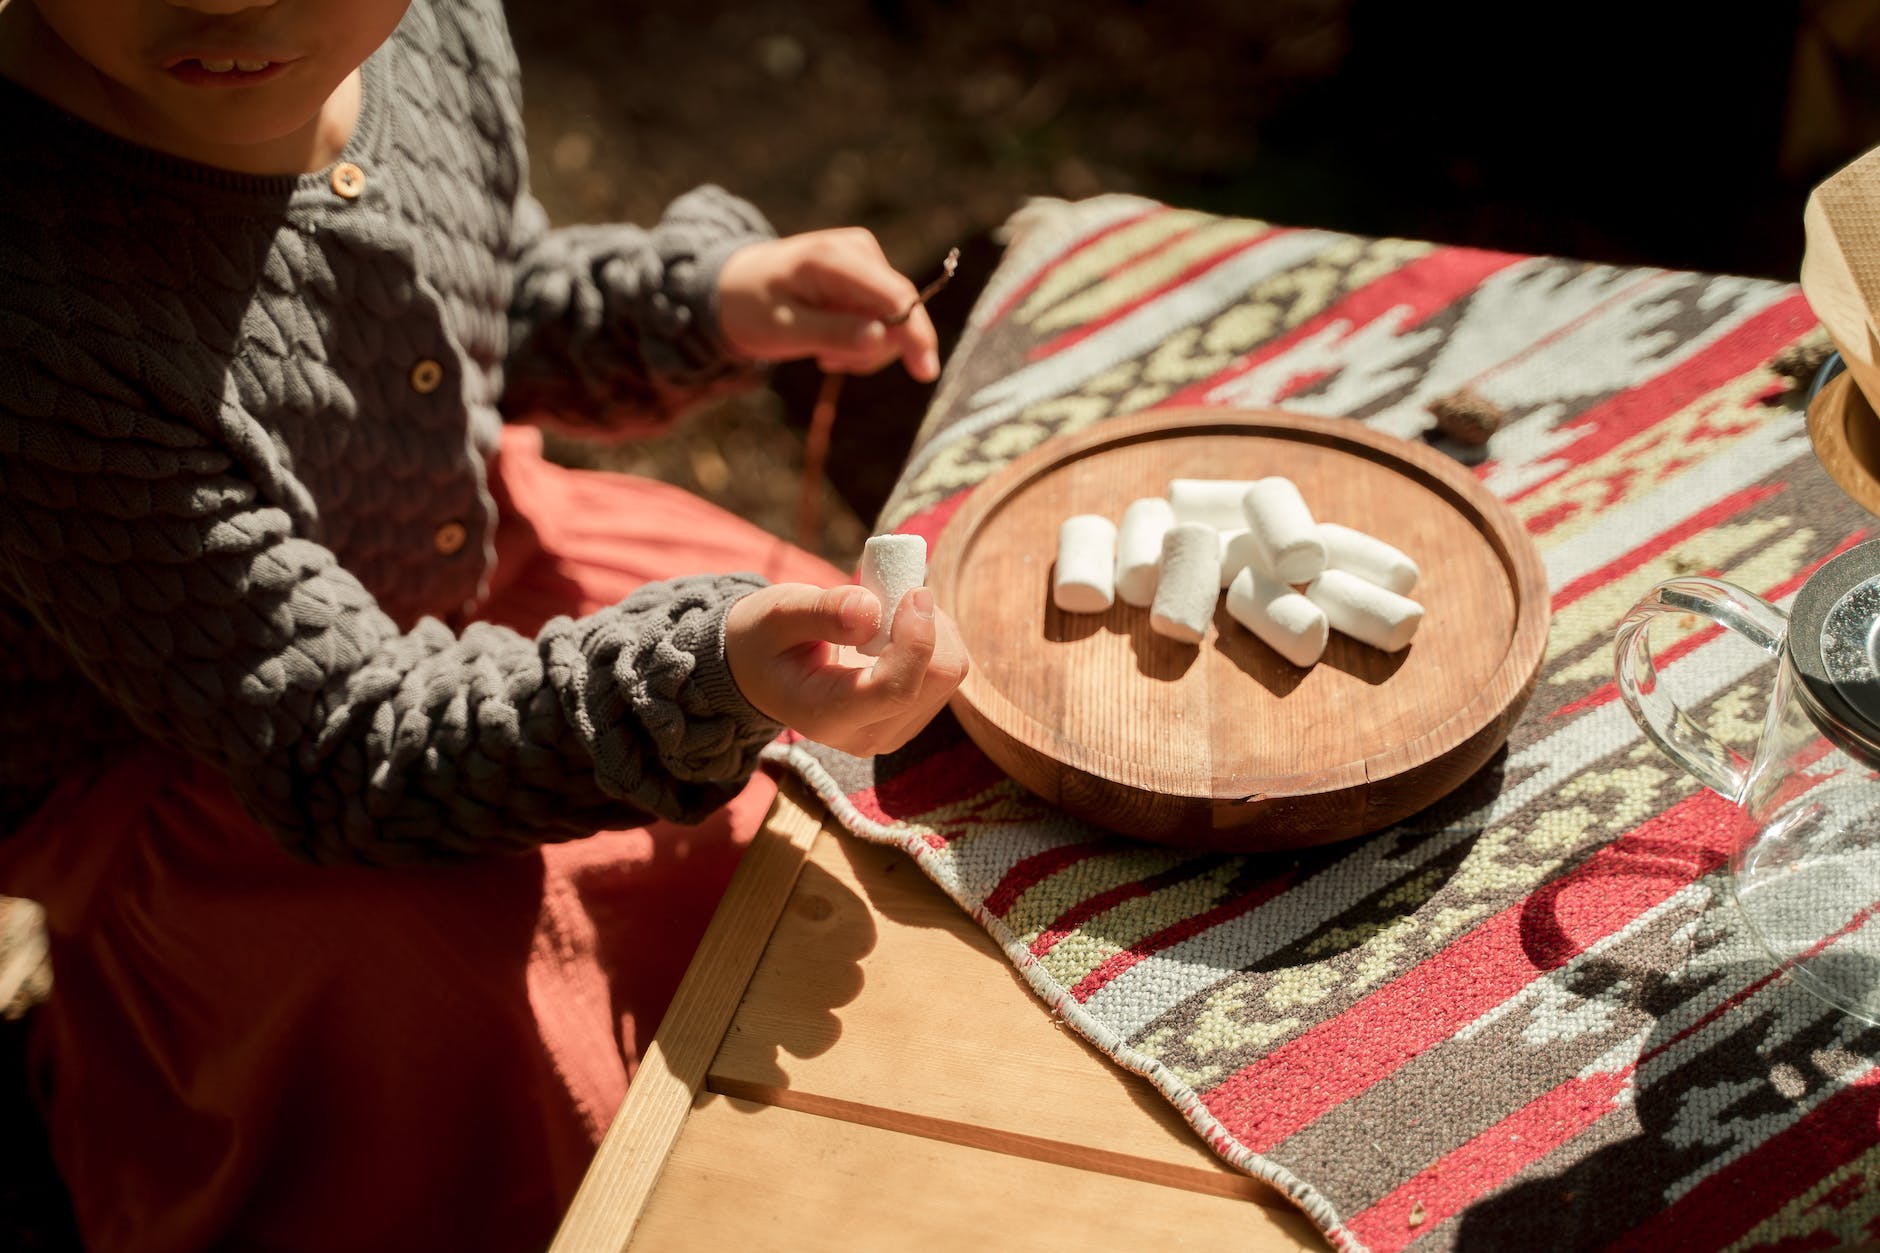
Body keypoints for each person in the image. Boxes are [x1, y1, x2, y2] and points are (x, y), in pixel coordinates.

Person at [0, 0, 969, 1246]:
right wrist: (688, 678)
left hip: (476, 555)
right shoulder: (36, 307)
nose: (228, 0)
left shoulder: (429, 30)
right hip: (224, 758)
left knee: (824, 805)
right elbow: (338, 740)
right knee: (465, 1026)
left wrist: (712, 298)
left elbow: (483, 293)